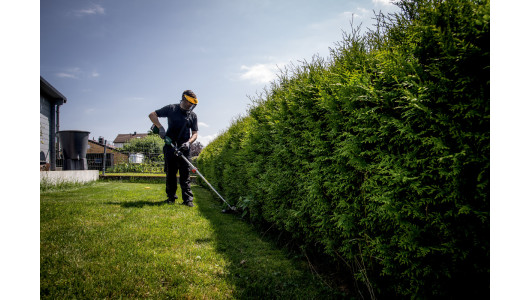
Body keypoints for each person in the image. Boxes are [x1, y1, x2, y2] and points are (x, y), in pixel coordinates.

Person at [148, 90, 199, 206]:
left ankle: (188, 200)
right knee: (170, 174)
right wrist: (160, 127)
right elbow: (152, 115)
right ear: (183, 99)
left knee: (185, 175)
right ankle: (171, 198)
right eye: (189, 103)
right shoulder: (171, 109)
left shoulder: (192, 115)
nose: (190, 105)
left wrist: (189, 142)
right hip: (170, 146)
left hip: (184, 148)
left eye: (192, 103)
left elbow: (195, 133)